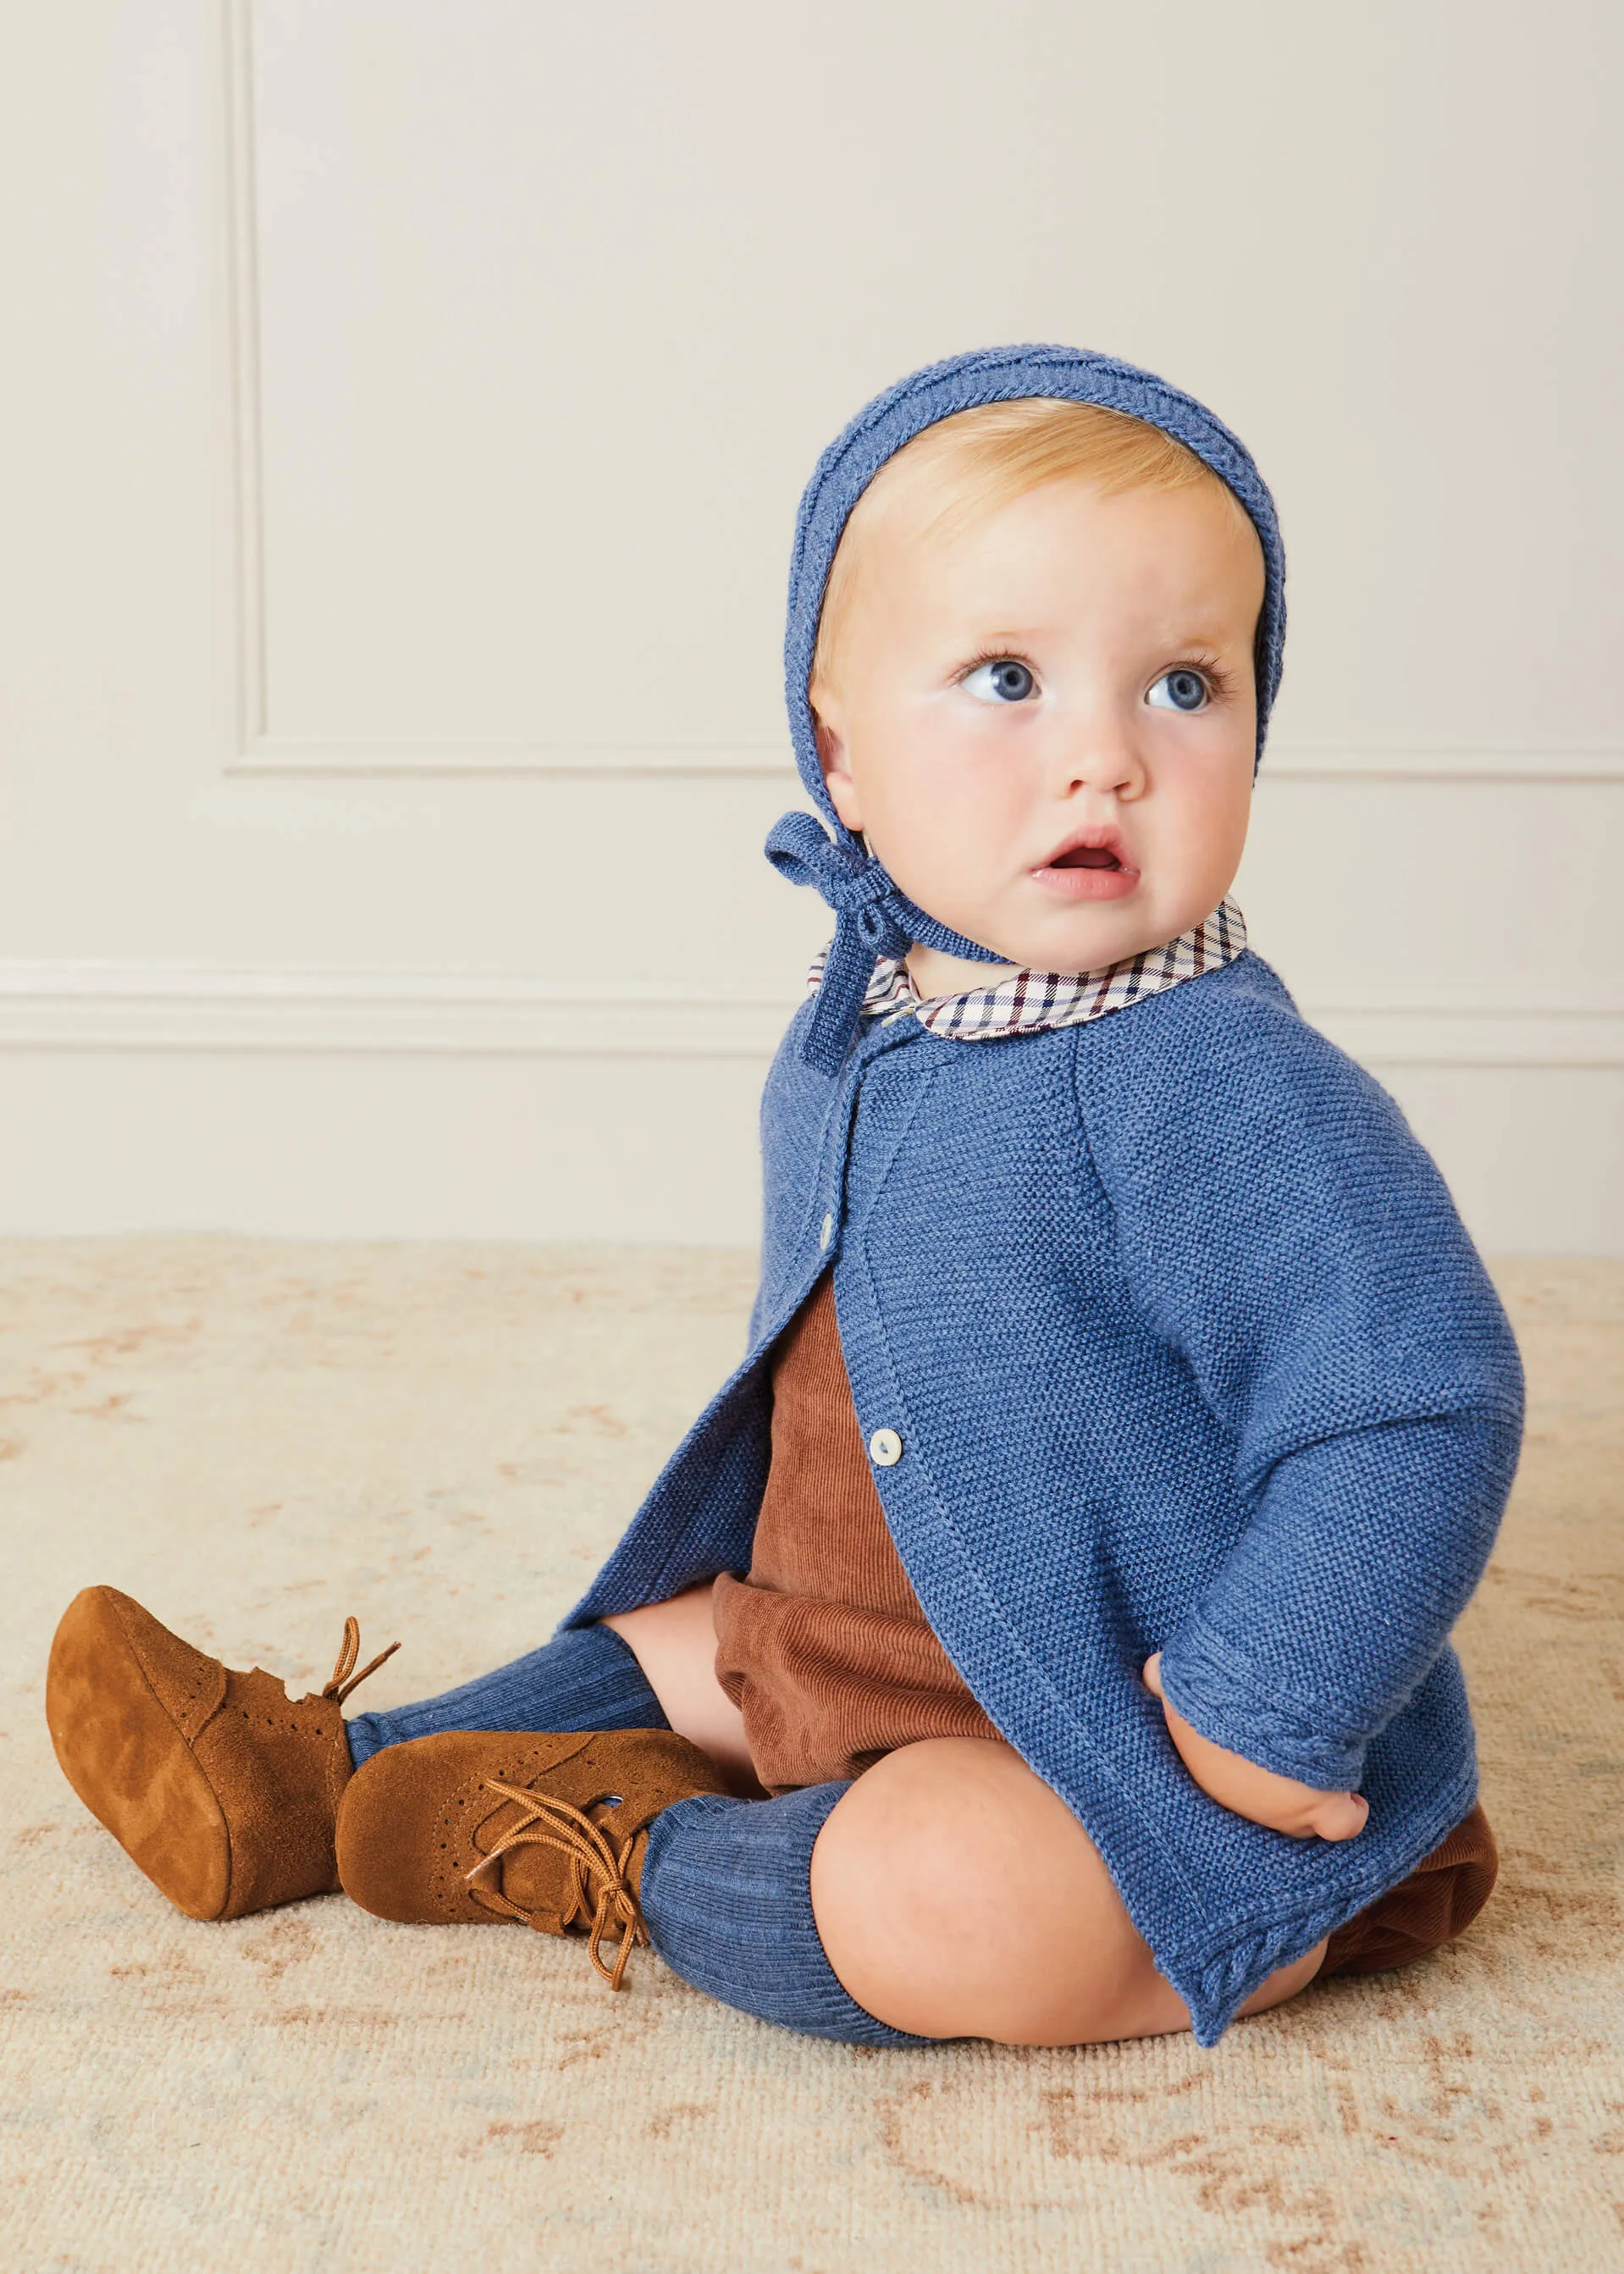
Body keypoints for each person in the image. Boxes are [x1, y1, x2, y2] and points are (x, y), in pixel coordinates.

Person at [46, 346, 1520, 2050]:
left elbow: (1416, 1398)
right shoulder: (869, 1019)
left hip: (1117, 1741)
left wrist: (1265, 1706)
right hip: (859, 1643)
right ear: (840, 754)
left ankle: (620, 1845)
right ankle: (316, 1780)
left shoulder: (1211, 1082)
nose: (1102, 758)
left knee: (943, 1890)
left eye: (1182, 687)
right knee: (681, 1639)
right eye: (1004, 677)